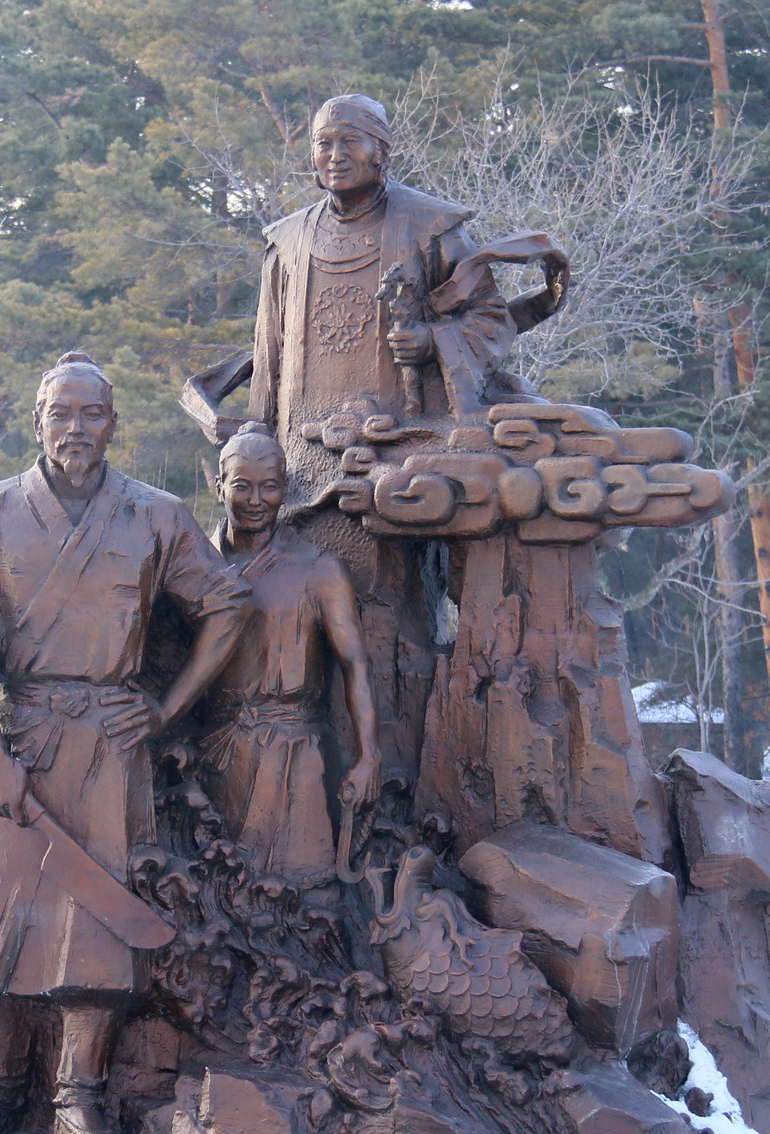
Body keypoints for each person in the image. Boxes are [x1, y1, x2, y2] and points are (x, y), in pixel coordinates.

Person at [0, 352, 252, 1134]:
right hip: (13, 738)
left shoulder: (156, 517)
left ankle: (78, 1098)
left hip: (107, 743)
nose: (76, 429)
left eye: (91, 414)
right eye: (60, 413)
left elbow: (227, 606)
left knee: (98, 920)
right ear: (38, 421)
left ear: (113, 424)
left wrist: (165, 710)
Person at [248, 93, 516, 770]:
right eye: (321, 144)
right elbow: (270, 360)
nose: (333, 156)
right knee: (289, 629)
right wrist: (252, 446)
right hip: (299, 473)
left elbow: (492, 322)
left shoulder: (430, 229)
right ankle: (300, 782)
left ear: (382, 151)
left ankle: (392, 782)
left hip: (394, 470)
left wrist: (431, 341)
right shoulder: (287, 243)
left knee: (389, 631)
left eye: (348, 142)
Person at [202, 423, 380, 890]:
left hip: (295, 757)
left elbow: (355, 665)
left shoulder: (319, 570)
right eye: (242, 486)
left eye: (270, 487)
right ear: (218, 486)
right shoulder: (197, 564)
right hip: (216, 751)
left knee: (304, 895)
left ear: (286, 490)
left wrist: (368, 758)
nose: (256, 500)